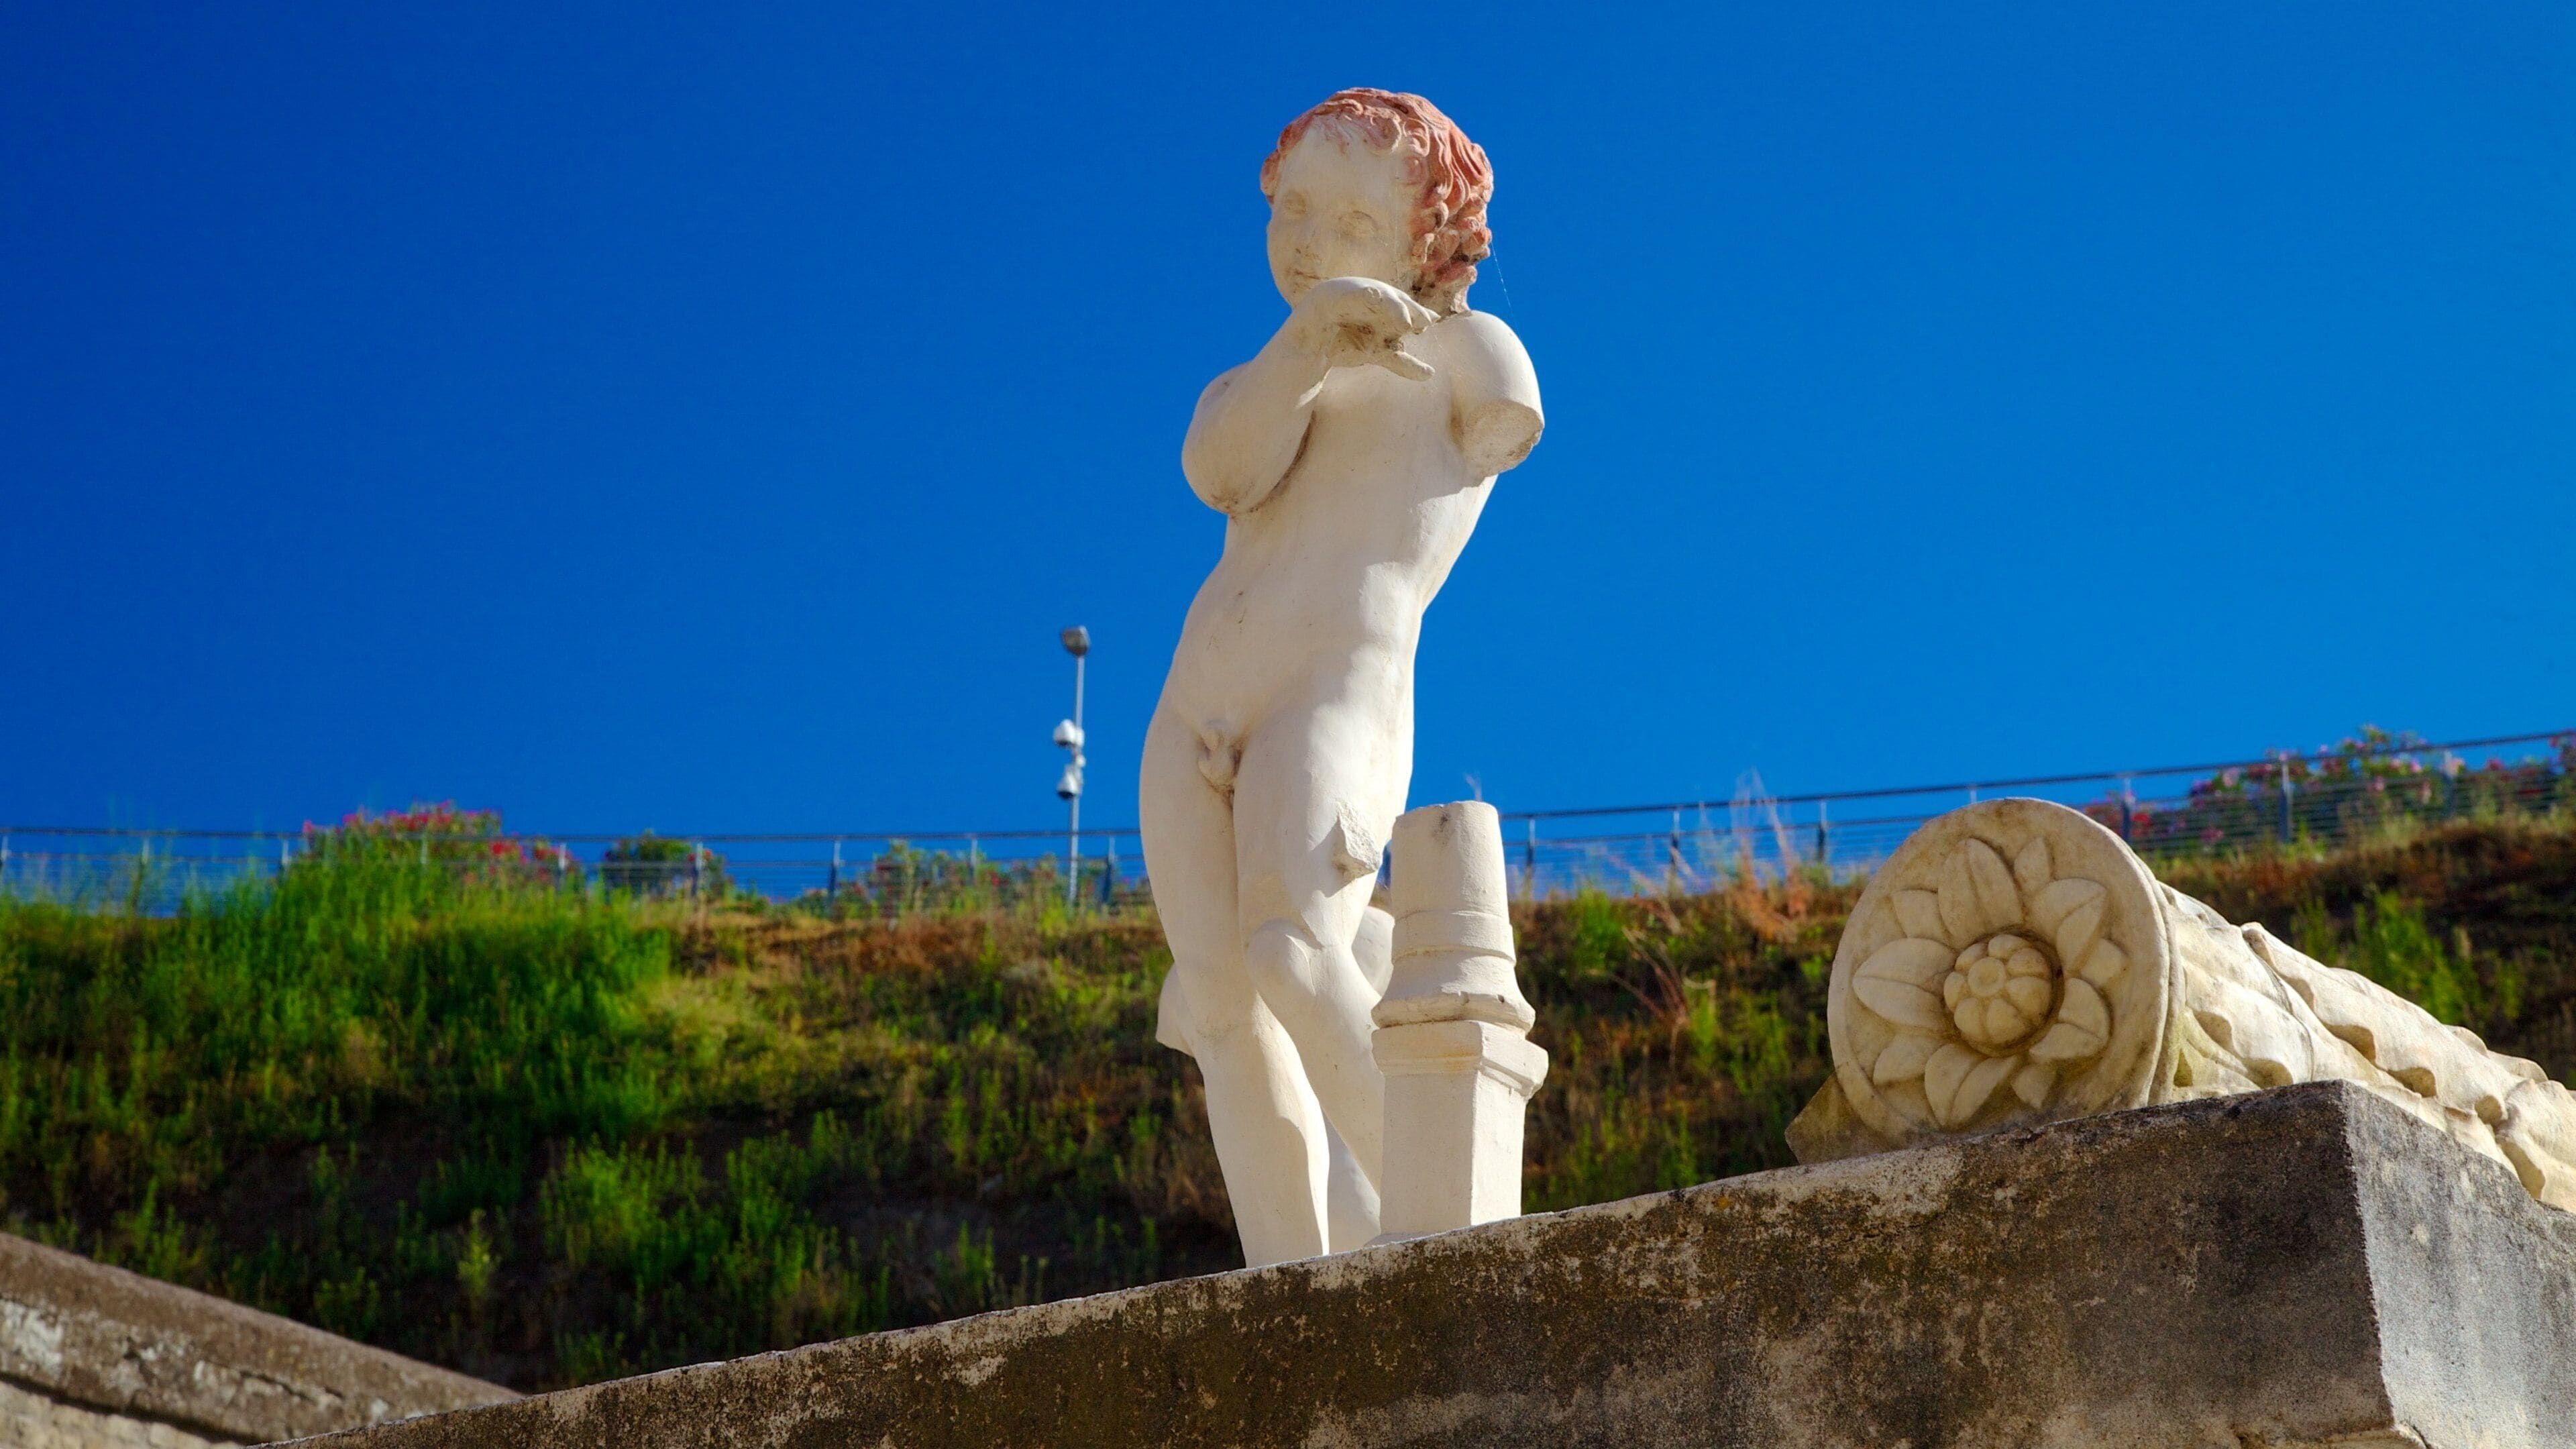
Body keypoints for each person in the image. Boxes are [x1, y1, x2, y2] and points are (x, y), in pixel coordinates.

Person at [1140, 89, 1543, 1265]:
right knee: (1221, 1006)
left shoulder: (1470, 352)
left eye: (1348, 222)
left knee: (1295, 950)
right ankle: (1290, 1267)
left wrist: (1409, 324)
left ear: (1428, 238)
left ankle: (1449, 1220)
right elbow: (1220, 469)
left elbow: (1513, 418)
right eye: (1293, 211)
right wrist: (1310, 342)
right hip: (1197, 701)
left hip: (1337, 686)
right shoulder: (1270, 376)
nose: (1309, 243)